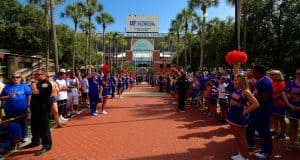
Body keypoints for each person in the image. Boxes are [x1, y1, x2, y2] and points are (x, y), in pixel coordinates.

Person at [227, 74, 259, 160]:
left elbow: (256, 104)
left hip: (239, 115)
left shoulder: (245, 91)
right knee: (236, 135)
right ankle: (240, 154)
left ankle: (245, 157)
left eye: (236, 80)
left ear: (241, 81)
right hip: (232, 114)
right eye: (234, 79)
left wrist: (245, 111)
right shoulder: (236, 89)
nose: (234, 81)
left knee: (241, 137)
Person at [246, 65, 273, 159]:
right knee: (253, 127)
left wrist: (251, 98)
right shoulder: (260, 81)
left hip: (263, 111)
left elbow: (265, 98)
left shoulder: (265, 82)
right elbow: (255, 91)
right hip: (257, 110)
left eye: (253, 71)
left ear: (258, 72)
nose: (252, 73)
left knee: (264, 131)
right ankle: (254, 146)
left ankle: (266, 152)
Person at [25, 69, 52, 156]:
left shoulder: (46, 84)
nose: (36, 76)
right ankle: (35, 142)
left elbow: (35, 92)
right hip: (35, 109)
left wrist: (32, 82)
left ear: (44, 75)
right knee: (34, 126)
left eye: (38, 74)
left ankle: (47, 145)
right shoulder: (37, 84)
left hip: (43, 109)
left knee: (44, 128)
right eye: (35, 74)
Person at [0, 72, 31, 142]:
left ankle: (25, 136)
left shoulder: (24, 86)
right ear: (11, 78)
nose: (15, 78)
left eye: (17, 77)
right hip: (9, 110)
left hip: (22, 109)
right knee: (12, 124)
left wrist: (28, 106)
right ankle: (16, 137)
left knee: (23, 122)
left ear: (20, 78)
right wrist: (8, 96)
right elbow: (1, 97)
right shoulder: (7, 87)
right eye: (13, 77)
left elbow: (29, 95)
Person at [282, 64, 300, 151]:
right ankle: (292, 145)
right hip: (291, 108)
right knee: (293, 126)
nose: (298, 75)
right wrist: (289, 104)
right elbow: (283, 93)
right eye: (297, 73)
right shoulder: (291, 82)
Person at [269, 70, 286, 139]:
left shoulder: (281, 83)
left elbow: (280, 94)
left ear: (279, 75)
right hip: (273, 103)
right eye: (271, 74)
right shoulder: (272, 82)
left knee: (281, 119)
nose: (272, 76)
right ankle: (275, 130)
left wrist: (270, 98)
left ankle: (282, 133)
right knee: (274, 117)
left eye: (274, 74)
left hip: (280, 104)